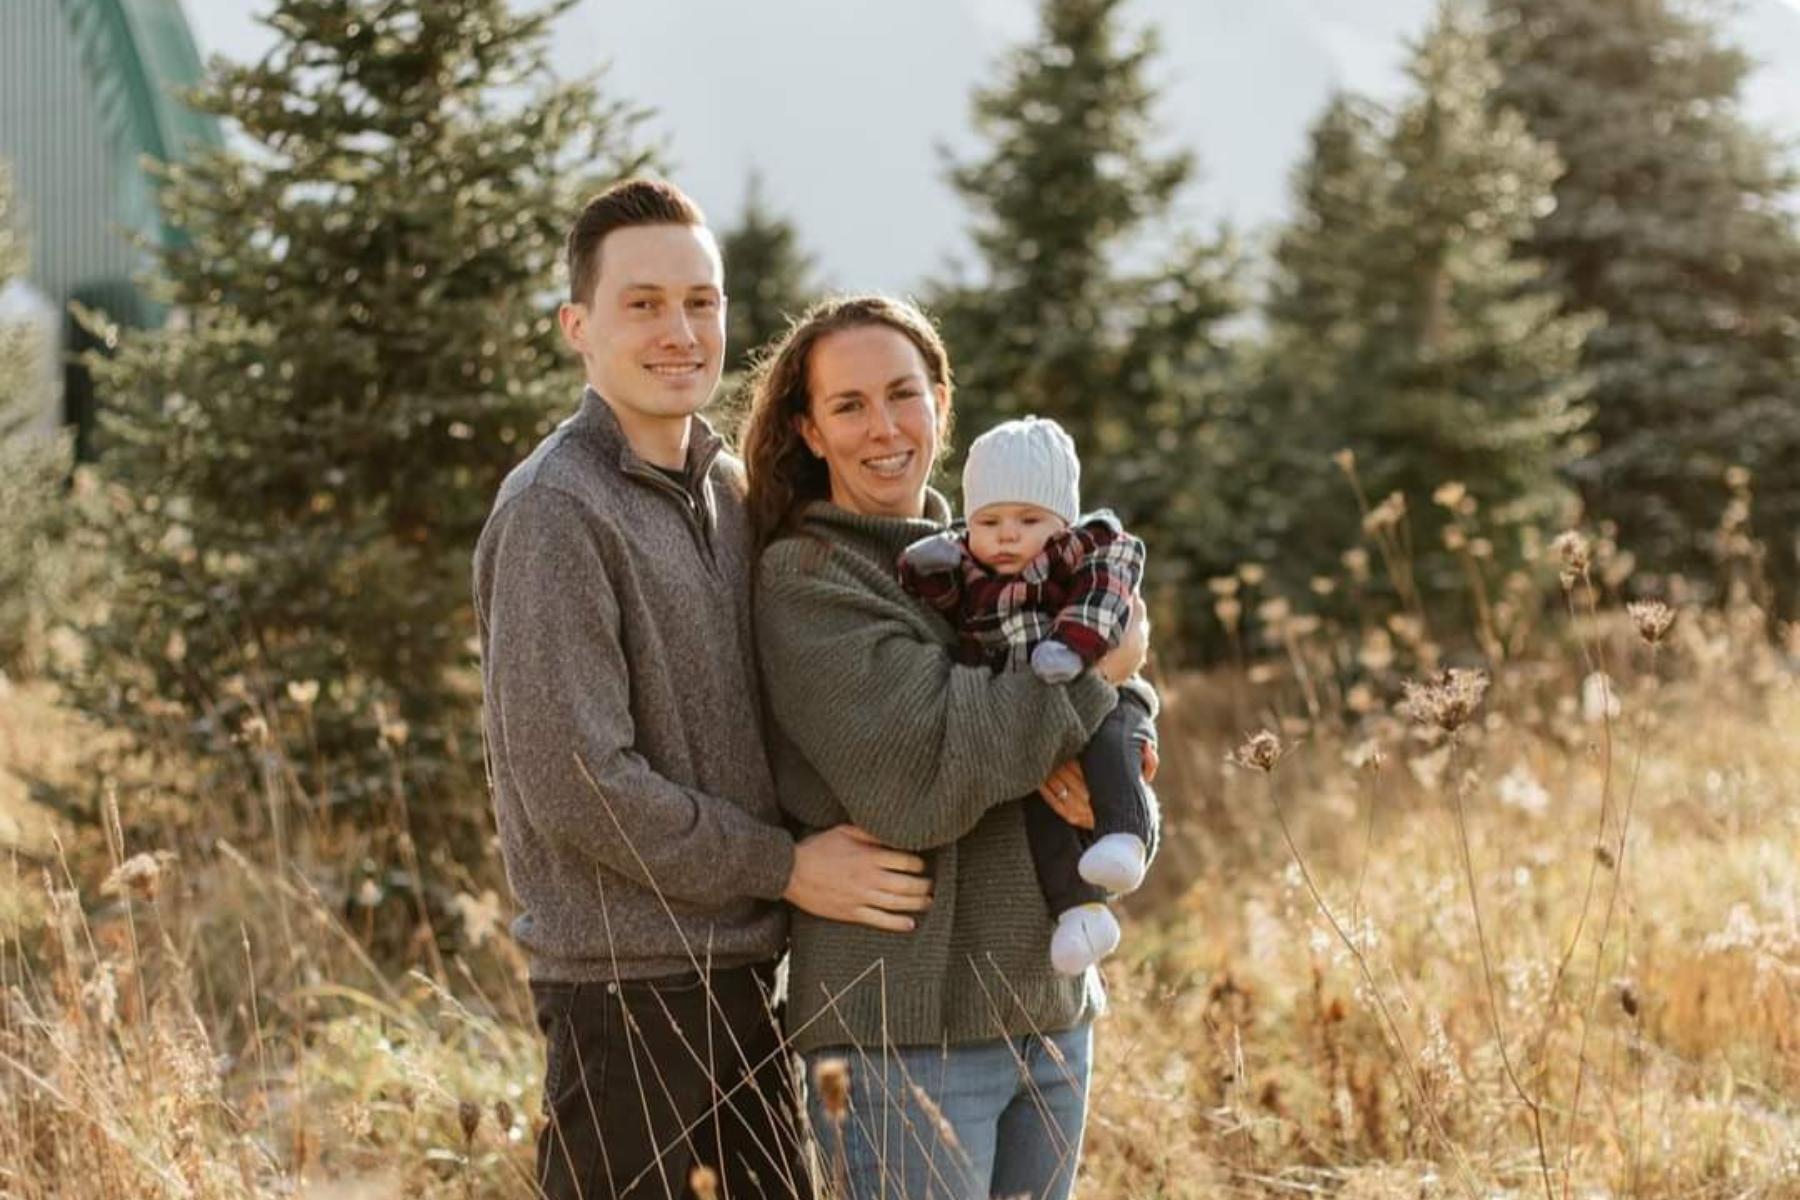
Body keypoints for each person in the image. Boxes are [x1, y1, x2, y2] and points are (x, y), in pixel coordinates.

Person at [473, 182, 933, 1200]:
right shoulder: (557, 510)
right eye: (643, 304)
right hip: (626, 994)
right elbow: (580, 782)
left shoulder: (728, 493)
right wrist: (785, 867)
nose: (680, 331)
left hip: (741, 982)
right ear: (577, 327)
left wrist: (1099, 713)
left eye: (702, 301)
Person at [740, 294, 1154, 1200]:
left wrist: (1121, 734)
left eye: (904, 393)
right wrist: (1101, 669)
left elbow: (1080, 716)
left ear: (940, 404)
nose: (884, 427)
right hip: (899, 1033)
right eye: (849, 406)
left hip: (1048, 1011)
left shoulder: (1007, 554)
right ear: (810, 431)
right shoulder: (808, 579)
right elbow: (921, 780)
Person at [897, 416, 1160, 976]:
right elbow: (929, 581)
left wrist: (1074, 648)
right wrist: (923, 565)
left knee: (1113, 752)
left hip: (1108, 694)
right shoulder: (972, 567)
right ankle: (1080, 910)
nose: (1008, 535)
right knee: (1039, 806)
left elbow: (1109, 596)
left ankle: (1127, 836)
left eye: (1028, 519)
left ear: (1061, 520)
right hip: (1040, 713)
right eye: (990, 521)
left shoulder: (1085, 550)